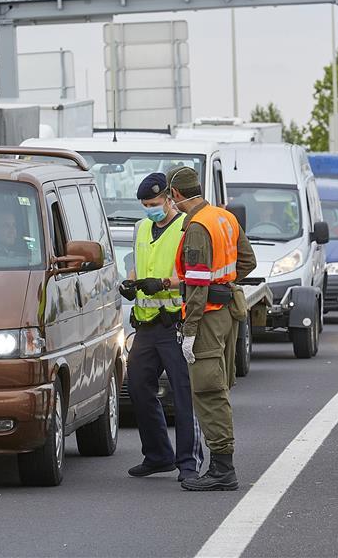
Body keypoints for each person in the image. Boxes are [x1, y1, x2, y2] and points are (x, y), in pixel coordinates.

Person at [168, 165, 256, 491]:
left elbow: (197, 285)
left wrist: (189, 329)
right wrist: (227, 283)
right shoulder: (224, 217)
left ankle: (222, 468)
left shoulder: (196, 227)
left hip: (206, 315)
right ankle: (220, 464)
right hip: (227, 312)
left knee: (208, 391)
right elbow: (247, 261)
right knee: (219, 387)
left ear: (175, 195)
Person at [118, 173, 203, 483]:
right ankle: (158, 456)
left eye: (154, 203)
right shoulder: (141, 228)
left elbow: (195, 274)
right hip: (146, 324)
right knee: (138, 387)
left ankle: (188, 464)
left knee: (182, 395)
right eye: (145, 205)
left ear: (170, 198)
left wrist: (164, 283)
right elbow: (139, 263)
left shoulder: (185, 228)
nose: (150, 209)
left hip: (174, 323)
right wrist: (130, 280)